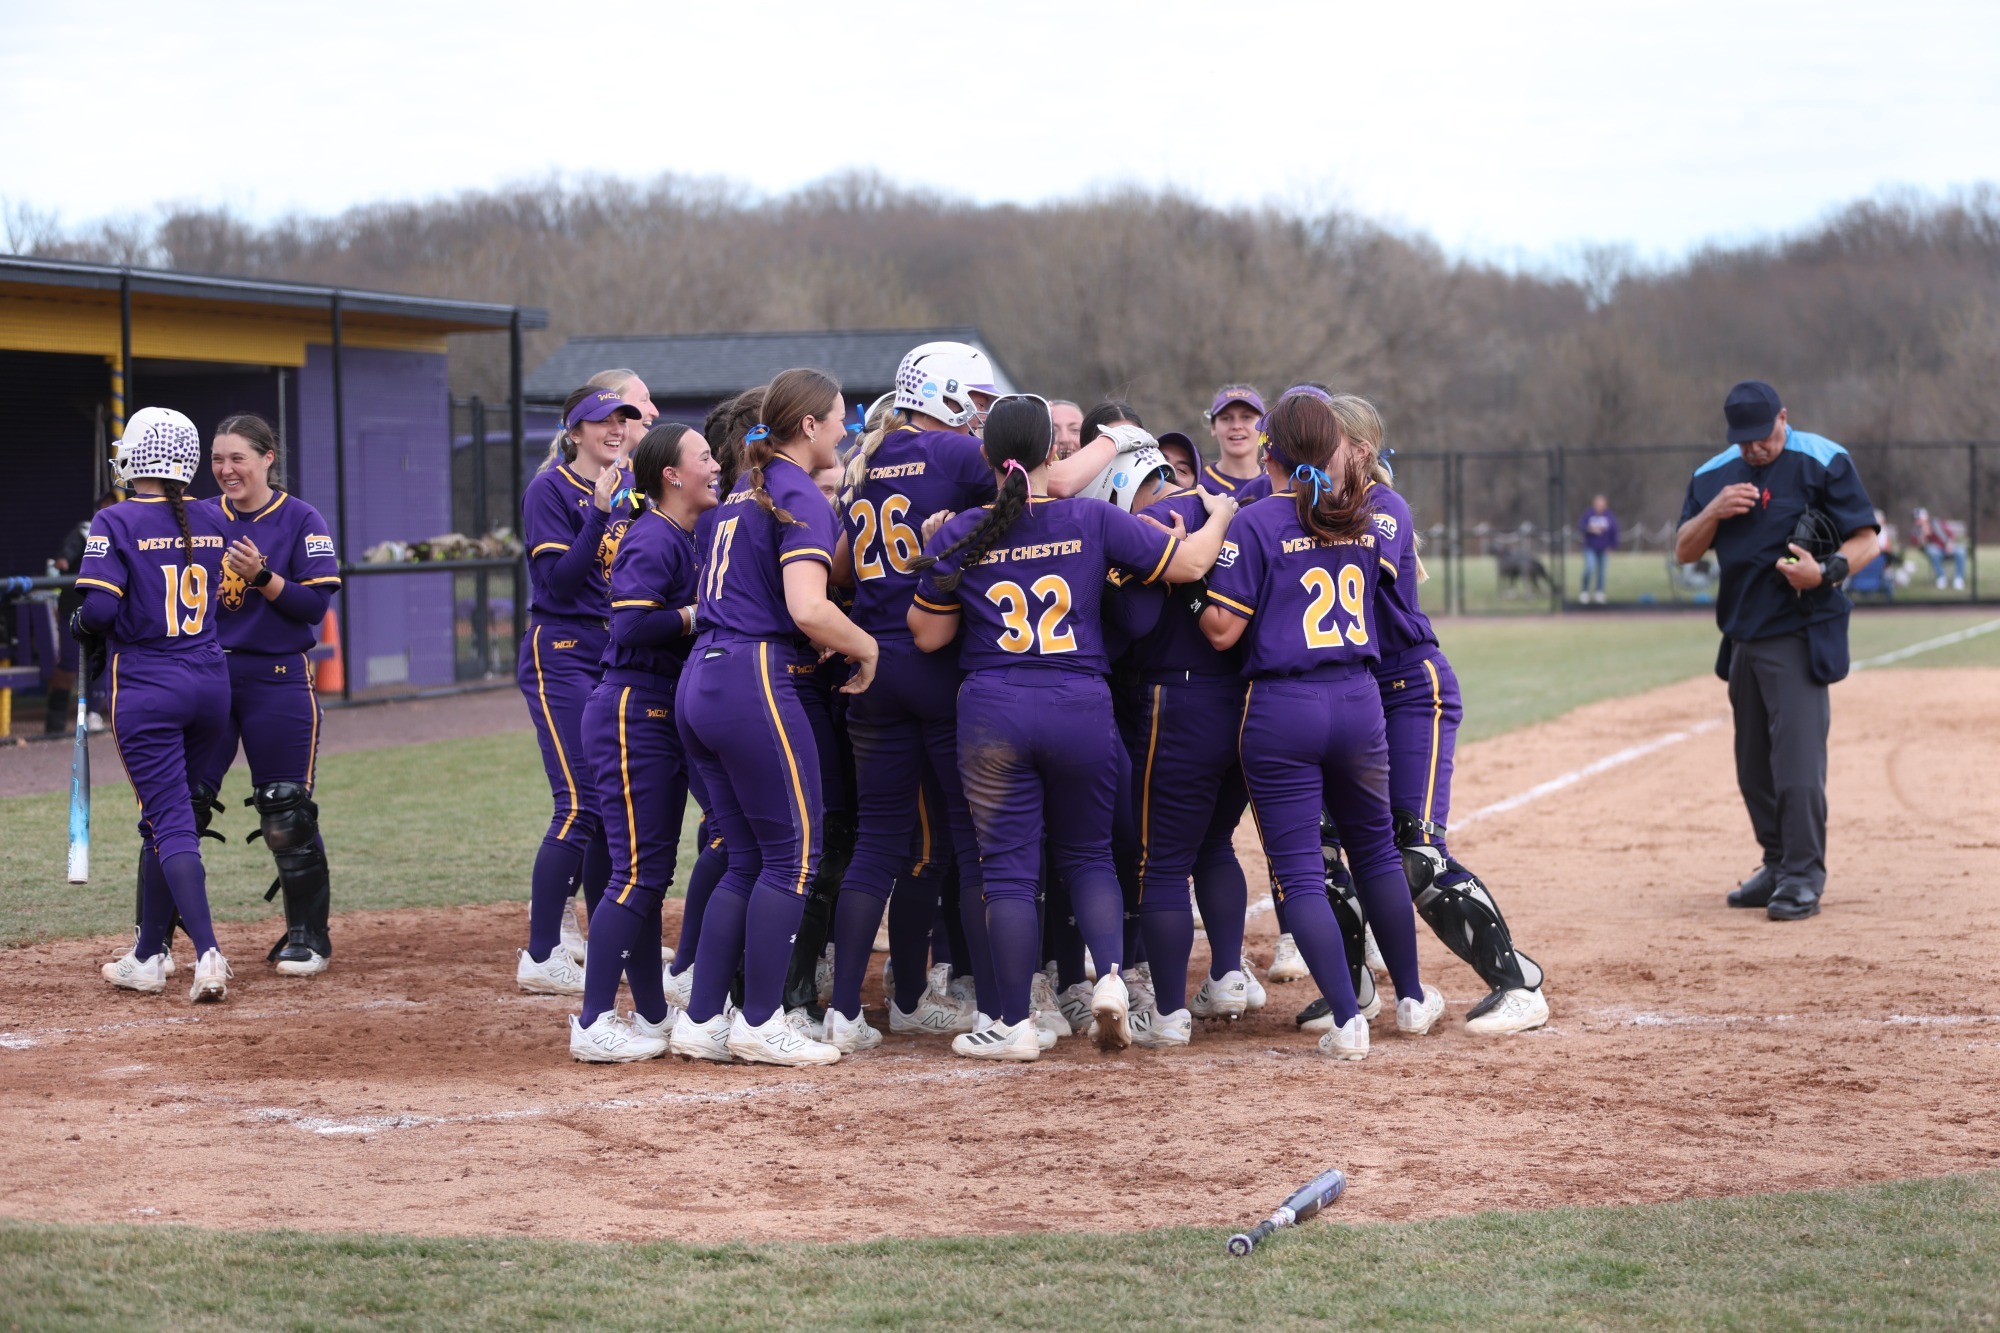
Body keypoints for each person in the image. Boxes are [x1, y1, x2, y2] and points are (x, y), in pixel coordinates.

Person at [909, 394, 1234, 1061]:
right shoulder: (1091, 517)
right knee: (1088, 856)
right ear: (1053, 454)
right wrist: (1224, 507)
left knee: (1008, 873)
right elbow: (1194, 562)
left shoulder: (963, 529)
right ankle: (1111, 975)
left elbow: (927, 631)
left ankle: (1011, 1020)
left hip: (994, 708)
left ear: (985, 456)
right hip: (1080, 702)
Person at [1290, 393, 1550, 1035]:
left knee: (1414, 852)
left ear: (1359, 451)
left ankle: (1515, 985)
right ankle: (1351, 987)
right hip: (1343, 700)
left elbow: (1355, 560)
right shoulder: (1304, 511)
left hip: (1410, 689)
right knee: (1319, 850)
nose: (1314, 460)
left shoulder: (1383, 509)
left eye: (1327, 446)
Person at [1199, 391, 1443, 1060]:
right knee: (1376, 855)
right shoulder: (1362, 514)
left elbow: (1221, 630)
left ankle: (1347, 1016)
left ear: (1270, 452)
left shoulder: (1255, 522)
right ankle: (1414, 998)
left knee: (1302, 871)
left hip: (1284, 706)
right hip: (1359, 701)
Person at [668, 368, 877, 1067]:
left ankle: (702, 1017)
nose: (846, 428)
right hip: (755, 675)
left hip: (703, 674)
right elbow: (808, 609)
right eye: (839, 416)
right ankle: (760, 1018)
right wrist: (867, 645)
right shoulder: (796, 494)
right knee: (793, 856)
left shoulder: (737, 493)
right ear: (808, 425)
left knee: (745, 854)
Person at [1675, 381, 1879, 922]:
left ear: (1783, 418)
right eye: (1743, 442)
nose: (1754, 450)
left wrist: (1826, 572)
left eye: (1762, 438)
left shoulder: (1824, 460)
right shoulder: (1713, 475)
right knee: (1754, 770)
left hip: (1799, 630)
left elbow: (1867, 539)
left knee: (1796, 768)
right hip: (1743, 634)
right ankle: (1777, 863)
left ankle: (1803, 875)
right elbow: (1684, 549)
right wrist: (1714, 511)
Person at [568, 421, 717, 1062]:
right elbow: (629, 626)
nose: (716, 466)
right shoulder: (654, 535)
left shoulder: (683, 533)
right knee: (635, 874)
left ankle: (652, 1012)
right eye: (704, 457)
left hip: (655, 711)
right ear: (671, 476)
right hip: (633, 711)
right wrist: (696, 613)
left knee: (650, 874)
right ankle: (593, 1018)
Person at [76, 408, 235, 1003]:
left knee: (170, 822)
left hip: (148, 686)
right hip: (209, 682)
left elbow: (97, 612)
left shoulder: (113, 519)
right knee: (173, 820)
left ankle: (209, 952)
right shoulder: (212, 515)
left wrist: (80, 622)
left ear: (137, 456)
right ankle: (147, 954)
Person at [199, 413, 345, 975]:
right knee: (180, 804)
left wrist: (262, 576)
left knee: (286, 808)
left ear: (267, 458)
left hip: (277, 678)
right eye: (218, 459)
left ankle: (307, 936)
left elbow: (312, 608)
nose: (226, 469)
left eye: (238, 457)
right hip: (206, 675)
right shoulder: (199, 519)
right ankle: (155, 941)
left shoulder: (300, 519)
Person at [514, 386, 643, 994]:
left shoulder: (629, 491)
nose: (614, 430)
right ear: (574, 432)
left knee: (609, 807)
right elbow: (560, 584)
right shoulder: (551, 489)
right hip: (561, 648)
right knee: (579, 803)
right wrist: (596, 511)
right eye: (601, 422)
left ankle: (601, 941)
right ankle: (542, 954)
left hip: (610, 648)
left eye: (622, 419)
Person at [1200, 384, 1273, 503]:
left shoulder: (1277, 484)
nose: (1236, 426)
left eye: (1246, 417)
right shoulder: (1198, 485)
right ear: (1213, 427)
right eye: (1226, 418)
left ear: (1263, 425)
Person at [1910, 508, 1967, 591]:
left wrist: (1949, 544)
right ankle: (1941, 577)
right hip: (1936, 553)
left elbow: (1951, 534)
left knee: (1961, 551)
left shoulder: (1937, 522)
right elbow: (1919, 546)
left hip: (1948, 547)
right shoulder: (1916, 531)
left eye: (1919, 519)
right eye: (1916, 519)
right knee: (1932, 550)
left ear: (1925, 517)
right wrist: (1923, 535)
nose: (1917, 521)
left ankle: (1959, 579)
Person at [1578, 494, 1619, 604]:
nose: (1600, 506)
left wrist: (1612, 546)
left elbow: (1614, 531)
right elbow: (1581, 526)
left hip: (1604, 548)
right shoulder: (1588, 514)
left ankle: (1599, 592)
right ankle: (1584, 591)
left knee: (1601, 572)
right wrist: (1590, 529)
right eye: (1598, 504)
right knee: (1589, 568)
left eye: (1602, 504)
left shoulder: (1609, 516)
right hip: (1590, 547)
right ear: (1594, 504)